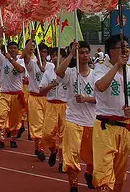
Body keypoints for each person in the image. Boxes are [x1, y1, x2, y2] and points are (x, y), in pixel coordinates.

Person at [92, 34, 130, 192]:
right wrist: (116, 67)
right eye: (122, 48)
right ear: (111, 51)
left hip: (125, 127)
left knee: (119, 173)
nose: (126, 51)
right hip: (105, 127)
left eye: (128, 48)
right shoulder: (100, 69)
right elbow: (100, 86)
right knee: (104, 173)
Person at [56, 41, 96, 191]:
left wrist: (86, 99)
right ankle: (73, 185)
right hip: (73, 119)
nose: (84, 55)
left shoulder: (96, 75)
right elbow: (59, 73)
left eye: (86, 52)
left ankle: (89, 173)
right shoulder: (71, 73)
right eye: (81, 53)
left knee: (92, 155)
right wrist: (72, 53)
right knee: (71, 154)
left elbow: (102, 99)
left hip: (91, 121)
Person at [0, 33, 26, 149]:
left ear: (18, 50)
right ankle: (1, 139)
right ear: (7, 49)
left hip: (17, 95)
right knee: (2, 116)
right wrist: (0, 34)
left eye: (15, 48)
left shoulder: (21, 60)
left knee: (15, 119)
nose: (13, 50)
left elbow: (20, 70)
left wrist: (10, 59)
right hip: (4, 94)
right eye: (10, 48)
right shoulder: (2, 59)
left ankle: (13, 138)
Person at [40, 47, 68, 172]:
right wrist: (52, 85)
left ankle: (62, 161)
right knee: (47, 134)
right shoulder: (48, 72)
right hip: (51, 105)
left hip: (66, 106)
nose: (55, 58)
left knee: (64, 135)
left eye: (58, 55)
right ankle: (53, 150)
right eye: (53, 56)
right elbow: (41, 90)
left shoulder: (71, 71)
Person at [24, 41, 48, 159]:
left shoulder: (51, 66)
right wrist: (31, 39)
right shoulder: (31, 65)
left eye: (44, 52)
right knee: (37, 124)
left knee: (46, 125)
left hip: (47, 99)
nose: (42, 54)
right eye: (40, 52)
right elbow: (25, 54)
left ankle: (38, 147)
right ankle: (40, 149)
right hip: (34, 97)